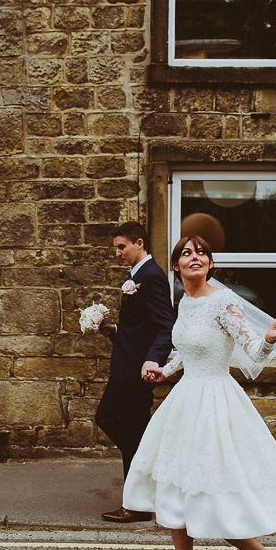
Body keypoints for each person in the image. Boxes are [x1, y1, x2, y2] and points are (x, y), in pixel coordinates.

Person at [125, 235, 276, 550]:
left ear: (210, 263)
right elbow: (184, 349)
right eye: (185, 253)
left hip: (215, 404)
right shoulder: (184, 301)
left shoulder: (224, 301)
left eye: (201, 253)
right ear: (176, 267)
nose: (194, 258)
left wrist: (271, 337)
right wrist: (164, 370)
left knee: (213, 498)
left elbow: (251, 350)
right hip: (183, 405)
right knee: (174, 491)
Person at [95, 221, 176, 523]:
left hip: (137, 371)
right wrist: (114, 329)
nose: (117, 253)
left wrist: (153, 359)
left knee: (125, 428)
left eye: (121, 247)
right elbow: (140, 325)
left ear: (139, 243)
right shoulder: (137, 275)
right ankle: (141, 486)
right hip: (126, 366)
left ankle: (138, 501)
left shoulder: (151, 276)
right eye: (115, 248)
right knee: (118, 425)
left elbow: (165, 325)